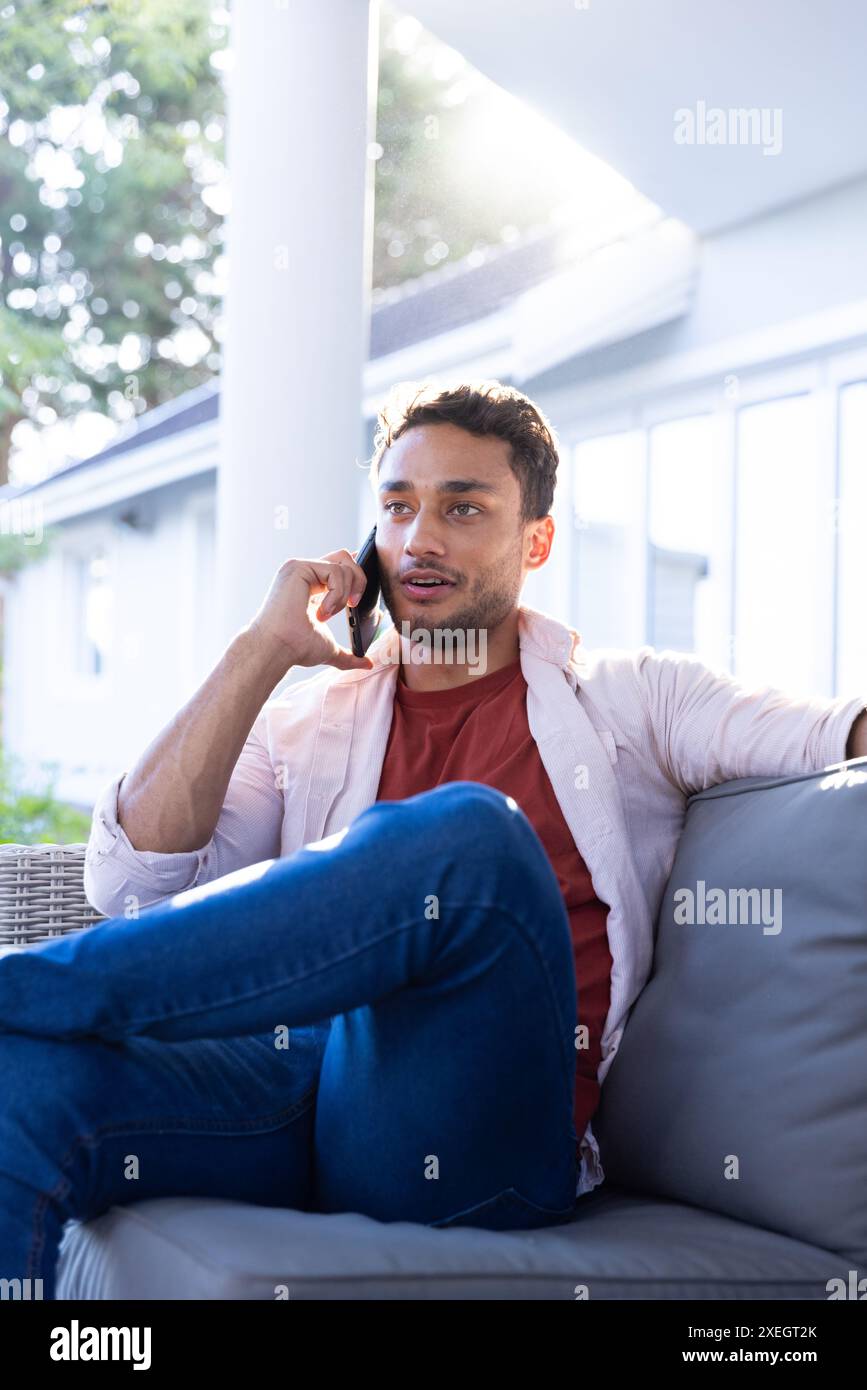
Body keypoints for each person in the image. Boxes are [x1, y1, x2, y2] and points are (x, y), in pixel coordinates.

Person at [1, 380, 865, 1299]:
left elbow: (833, 736)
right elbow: (131, 883)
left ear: (535, 540)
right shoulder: (311, 723)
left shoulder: (636, 697)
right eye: (398, 507)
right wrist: (260, 650)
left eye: (463, 508)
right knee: (22, 1082)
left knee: (468, 841)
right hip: (299, 1093)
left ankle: (22, 982)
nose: (420, 539)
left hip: (473, 1135)